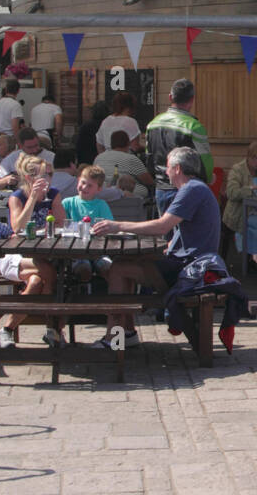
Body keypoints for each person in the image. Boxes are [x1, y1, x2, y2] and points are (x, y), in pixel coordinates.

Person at [91, 147, 221, 348]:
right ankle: (127, 333)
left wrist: (117, 225)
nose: (165, 171)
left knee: (118, 268)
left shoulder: (191, 189)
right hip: (193, 262)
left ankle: (114, 338)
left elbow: (162, 226)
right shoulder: (195, 188)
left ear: (177, 169)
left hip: (191, 268)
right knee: (124, 264)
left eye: (167, 167)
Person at [0, 154, 68, 350]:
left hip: (42, 252)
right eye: (42, 175)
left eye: (49, 175)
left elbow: (62, 223)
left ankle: (7, 330)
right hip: (16, 254)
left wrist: (51, 209)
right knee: (51, 274)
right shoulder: (17, 197)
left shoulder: (53, 194)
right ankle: (54, 329)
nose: (47, 179)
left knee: (37, 281)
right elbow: (17, 227)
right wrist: (33, 198)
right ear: (28, 178)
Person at [145, 79, 214, 218]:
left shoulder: (152, 124)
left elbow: (149, 159)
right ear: (192, 100)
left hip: (161, 188)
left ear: (170, 97)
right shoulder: (194, 127)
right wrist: (208, 178)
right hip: (185, 190)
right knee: (186, 235)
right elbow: (206, 164)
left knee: (165, 233)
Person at [94, 130, 153, 198]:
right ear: (128, 143)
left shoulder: (98, 158)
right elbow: (149, 181)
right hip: (128, 196)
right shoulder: (131, 159)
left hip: (103, 193)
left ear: (111, 143)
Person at [75, 100, 109, 166]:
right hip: (104, 162)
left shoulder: (85, 126)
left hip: (86, 162)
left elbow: (79, 147)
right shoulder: (108, 126)